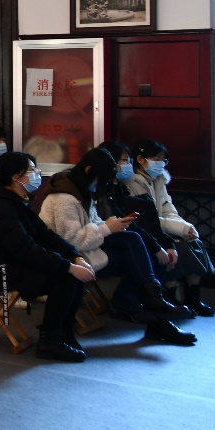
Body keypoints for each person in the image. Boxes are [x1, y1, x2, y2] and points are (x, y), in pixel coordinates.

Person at [38, 148, 192, 345]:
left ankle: (152, 302)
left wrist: (111, 225)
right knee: (141, 256)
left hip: (87, 249)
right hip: (72, 256)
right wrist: (107, 228)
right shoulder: (64, 199)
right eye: (100, 181)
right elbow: (71, 240)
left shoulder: (81, 190)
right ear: (88, 171)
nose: (100, 186)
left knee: (141, 248)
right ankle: (152, 307)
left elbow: (92, 224)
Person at [0, 152, 95, 362]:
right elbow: (24, 248)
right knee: (66, 277)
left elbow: (45, 236)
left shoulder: (18, 200)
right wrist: (68, 267)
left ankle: (63, 332)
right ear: (16, 177)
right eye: (32, 170)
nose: (37, 174)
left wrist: (74, 256)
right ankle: (50, 341)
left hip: (13, 261)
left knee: (72, 274)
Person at [126, 139, 215, 316]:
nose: (160, 163)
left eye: (163, 160)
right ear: (140, 159)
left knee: (193, 241)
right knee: (178, 245)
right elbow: (146, 219)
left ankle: (193, 295)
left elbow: (169, 210)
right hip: (147, 230)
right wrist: (178, 228)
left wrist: (184, 227)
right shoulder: (130, 183)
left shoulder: (159, 180)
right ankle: (169, 294)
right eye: (156, 159)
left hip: (164, 227)